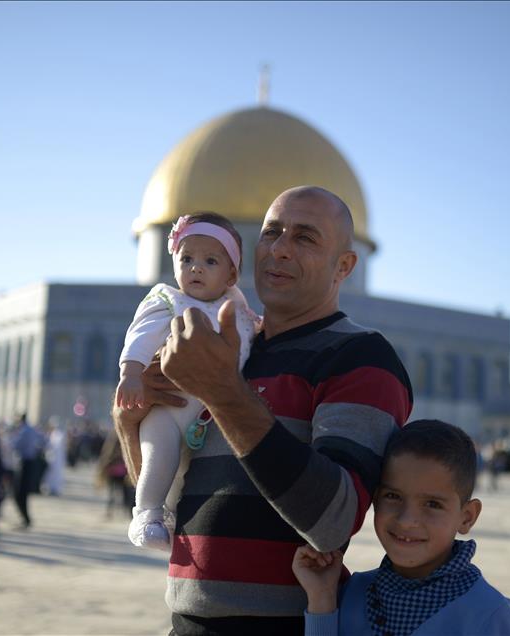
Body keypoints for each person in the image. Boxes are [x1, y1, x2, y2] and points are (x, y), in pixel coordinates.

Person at [114, 186, 413, 634]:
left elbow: (333, 520)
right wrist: (130, 421)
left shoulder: (360, 358)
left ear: (345, 265)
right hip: (185, 621)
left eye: (305, 238)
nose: (279, 250)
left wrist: (224, 391)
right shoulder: (232, 348)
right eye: (271, 234)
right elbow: (168, 484)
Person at [292, 420, 510, 635]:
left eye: (433, 504)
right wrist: (322, 599)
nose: (407, 520)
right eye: (393, 496)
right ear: (374, 499)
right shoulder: (351, 594)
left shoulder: (490, 615)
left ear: (466, 517)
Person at [116, 212, 259, 551]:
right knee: (159, 457)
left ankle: (172, 516)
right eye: (187, 258)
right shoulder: (167, 300)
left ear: (232, 274)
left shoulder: (237, 307)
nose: (196, 268)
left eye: (210, 261)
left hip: (208, 416)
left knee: (185, 477)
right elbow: (140, 337)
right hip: (167, 408)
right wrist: (131, 373)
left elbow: (253, 332)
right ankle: (146, 515)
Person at [10, 413, 47, 528]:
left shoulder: (24, 431)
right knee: (23, 493)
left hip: (25, 463)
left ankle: (25, 519)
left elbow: (14, 445)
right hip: (31, 462)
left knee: (19, 493)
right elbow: (43, 442)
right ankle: (26, 519)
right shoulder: (32, 430)